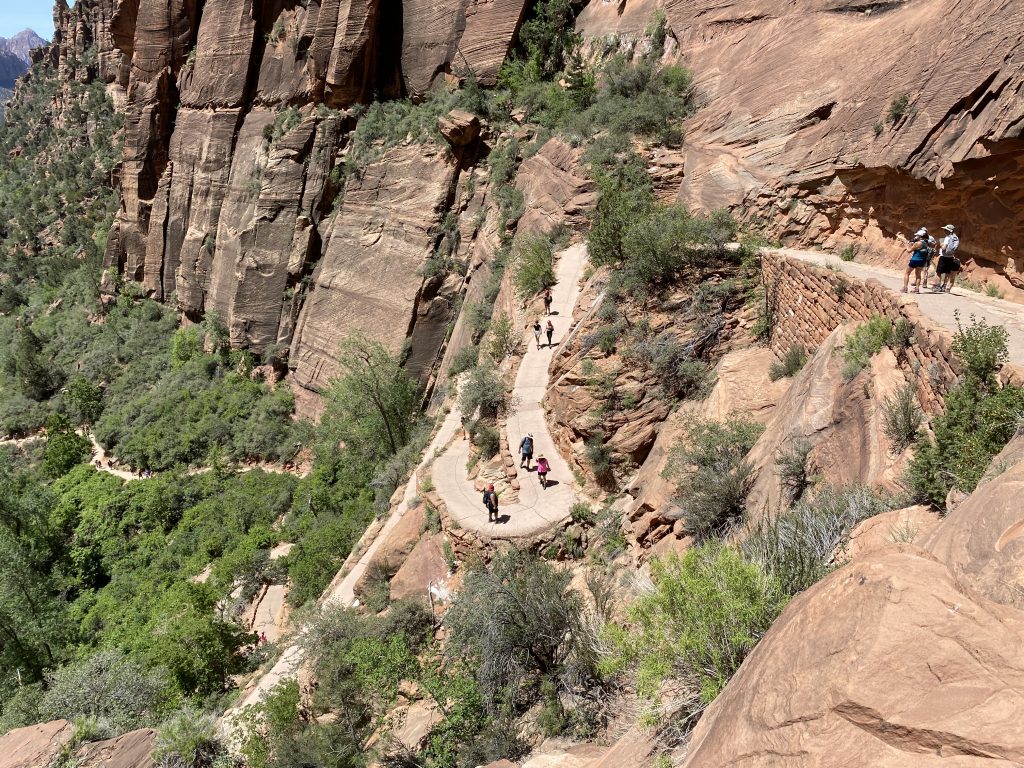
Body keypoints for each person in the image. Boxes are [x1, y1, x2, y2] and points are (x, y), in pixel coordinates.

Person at [932, 224, 961, 293]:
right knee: (947, 273)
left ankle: (938, 287)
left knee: (939, 272)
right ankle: (944, 287)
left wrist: (941, 244)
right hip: (950, 257)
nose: (944, 231)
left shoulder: (947, 238)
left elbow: (944, 248)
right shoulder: (955, 238)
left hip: (943, 257)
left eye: (945, 230)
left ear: (948, 231)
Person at [901, 228, 930, 293]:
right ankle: (917, 289)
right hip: (922, 260)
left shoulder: (918, 243)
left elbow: (909, 251)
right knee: (918, 275)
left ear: (920, 236)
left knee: (907, 273)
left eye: (917, 236)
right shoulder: (926, 243)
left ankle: (905, 288)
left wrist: (907, 245)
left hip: (915, 260)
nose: (916, 237)